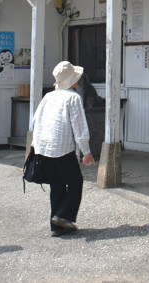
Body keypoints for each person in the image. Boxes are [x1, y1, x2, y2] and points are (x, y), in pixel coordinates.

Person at [30, 61, 96, 236]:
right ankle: (63, 216)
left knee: (57, 185)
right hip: (62, 148)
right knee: (76, 182)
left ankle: (57, 227)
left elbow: (35, 121)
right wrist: (86, 151)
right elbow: (79, 127)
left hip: (43, 147)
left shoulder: (48, 97)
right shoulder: (73, 97)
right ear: (72, 80)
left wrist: (35, 145)